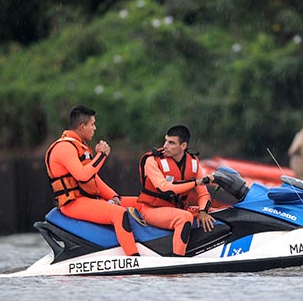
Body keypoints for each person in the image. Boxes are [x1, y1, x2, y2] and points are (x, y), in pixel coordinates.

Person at [45, 104, 140, 256]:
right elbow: (82, 175)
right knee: (119, 214)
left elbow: (94, 180)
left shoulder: (80, 146)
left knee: (140, 202)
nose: (95, 128)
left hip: (89, 200)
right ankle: (133, 256)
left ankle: (154, 247)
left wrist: (114, 196)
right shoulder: (64, 147)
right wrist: (102, 155)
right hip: (73, 204)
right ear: (82, 127)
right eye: (92, 124)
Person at [137, 125, 215, 257]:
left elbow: (203, 194)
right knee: (184, 217)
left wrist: (203, 212)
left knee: (216, 212)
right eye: (166, 141)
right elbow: (164, 188)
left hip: (178, 208)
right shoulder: (152, 161)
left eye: (171, 143)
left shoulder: (193, 162)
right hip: (152, 210)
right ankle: (177, 260)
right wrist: (196, 182)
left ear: (183, 146)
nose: (165, 146)